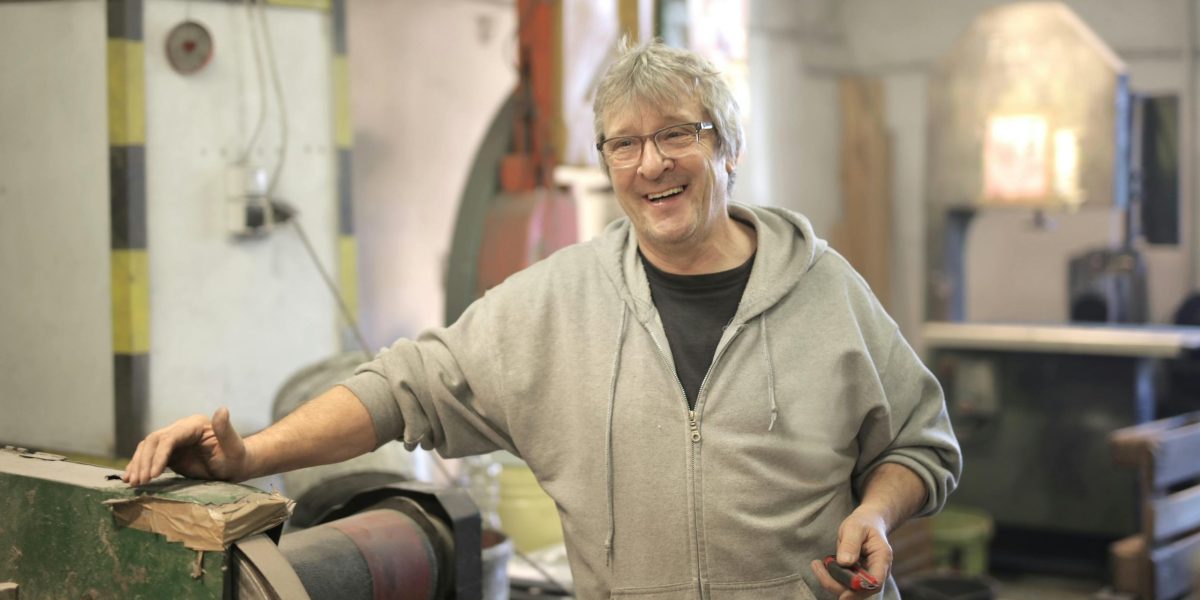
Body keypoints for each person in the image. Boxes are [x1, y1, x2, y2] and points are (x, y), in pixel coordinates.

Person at [124, 40, 961, 600]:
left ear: (728, 150)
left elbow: (922, 444)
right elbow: (402, 386)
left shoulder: (825, 289)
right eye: (623, 144)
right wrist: (252, 453)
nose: (652, 164)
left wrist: (876, 512)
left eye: (678, 136)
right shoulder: (557, 302)